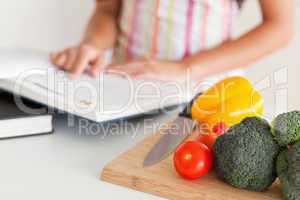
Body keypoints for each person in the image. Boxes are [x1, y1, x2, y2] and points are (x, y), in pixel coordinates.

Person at [50, 0, 294, 81]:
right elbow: (107, 9)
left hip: (209, 94)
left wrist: (183, 69)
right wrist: (94, 44)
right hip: (125, 87)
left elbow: (281, 26)